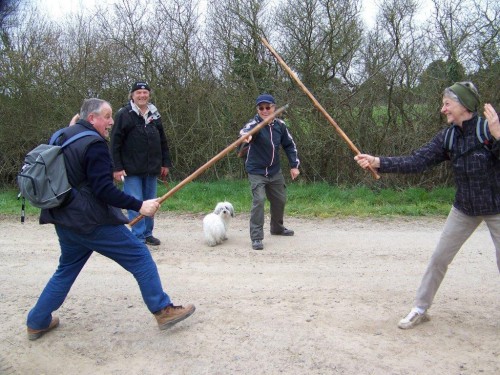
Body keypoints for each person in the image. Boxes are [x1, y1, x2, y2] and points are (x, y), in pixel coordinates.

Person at [27, 98, 195, 341]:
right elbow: (103, 190)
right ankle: (163, 310)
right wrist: (140, 205)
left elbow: (74, 172)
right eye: (106, 116)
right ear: (92, 118)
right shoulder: (94, 144)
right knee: (140, 256)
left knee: (66, 269)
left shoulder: (62, 135)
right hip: (90, 221)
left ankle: (36, 321)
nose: (111, 121)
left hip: (63, 217)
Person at [354, 82, 500, 329]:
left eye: (447, 104)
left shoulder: (488, 130)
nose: (443, 109)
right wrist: (377, 161)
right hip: (464, 208)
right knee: (439, 258)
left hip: (497, 207)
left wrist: (499, 136)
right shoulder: (449, 136)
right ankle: (420, 308)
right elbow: (416, 161)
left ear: (463, 105)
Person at [110, 81, 172, 246]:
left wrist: (165, 162)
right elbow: (115, 143)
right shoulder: (124, 114)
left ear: (149, 95)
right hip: (131, 169)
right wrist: (117, 167)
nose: (142, 96)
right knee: (136, 202)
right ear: (132, 95)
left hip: (152, 168)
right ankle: (138, 237)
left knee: (152, 203)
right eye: (138, 93)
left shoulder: (154, 114)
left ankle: (147, 233)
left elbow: (163, 141)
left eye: (145, 93)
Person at [239, 94, 301, 250]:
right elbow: (244, 133)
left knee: (280, 200)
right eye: (261, 108)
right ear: (257, 109)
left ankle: (277, 228)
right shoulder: (254, 125)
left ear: (274, 108)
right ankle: (257, 238)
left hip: (274, 171)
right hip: (256, 171)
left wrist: (294, 165)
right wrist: (246, 137)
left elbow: (289, 145)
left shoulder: (280, 126)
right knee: (259, 200)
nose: (265, 110)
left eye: (268, 107)